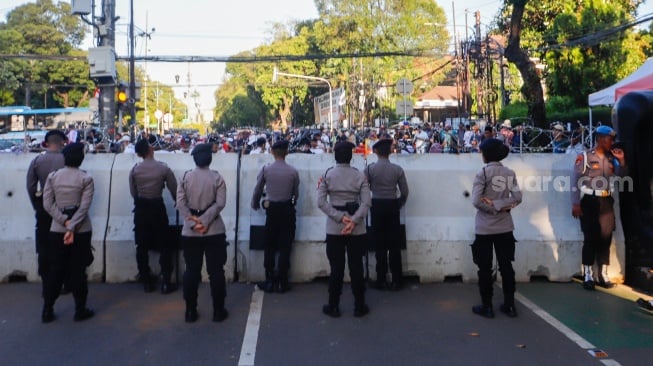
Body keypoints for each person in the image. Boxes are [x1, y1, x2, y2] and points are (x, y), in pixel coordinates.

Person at [41, 142, 95, 323]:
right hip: (81, 229)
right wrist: (72, 226)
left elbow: (47, 204)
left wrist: (64, 221)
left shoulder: (53, 177)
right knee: (78, 270)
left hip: (57, 228)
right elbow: (85, 207)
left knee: (56, 269)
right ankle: (80, 309)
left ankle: (47, 309)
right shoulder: (85, 178)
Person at [317, 141, 372, 318]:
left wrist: (340, 218)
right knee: (357, 268)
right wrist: (353, 221)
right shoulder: (360, 176)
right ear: (351, 156)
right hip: (357, 229)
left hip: (335, 228)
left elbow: (321, 203)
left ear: (335, 156)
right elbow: (366, 203)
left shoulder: (328, 175)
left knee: (336, 268)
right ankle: (359, 306)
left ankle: (333, 305)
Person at [176, 143, 228, 323]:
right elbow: (220, 204)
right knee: (216, 271)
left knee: (191, 271)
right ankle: (218, 311)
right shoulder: (217, 178)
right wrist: (205, 221)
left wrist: (193, 222)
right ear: (210, 158)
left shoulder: (186, 177)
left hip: (191, 233)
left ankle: (190, 311)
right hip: (214, 230)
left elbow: (180, 204)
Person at [471, 138, 522, 318]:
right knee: (506, 266)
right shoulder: (509, 173)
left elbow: (476, 201)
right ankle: (509, 305)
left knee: (484, 268)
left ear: (486, 154)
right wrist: (500, 205)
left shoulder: (482, 173)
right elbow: (517, 198)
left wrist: (492, 206)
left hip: (484, 227)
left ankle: (487, 306)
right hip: (505, 226)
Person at [571, 125, 625, 290]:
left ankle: (603, 273)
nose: (613, 142)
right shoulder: (585, 157)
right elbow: (574, 181)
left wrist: (621, 161)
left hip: (606, 201)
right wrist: (575, 203)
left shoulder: (612, 158)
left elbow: (622, 176)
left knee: (606, 238)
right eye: (610, 139)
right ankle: (588, 274)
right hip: (589, 201)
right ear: (601, 139)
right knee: (590, 237)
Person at [129, 139, 178, 294]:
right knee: (165, 245)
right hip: (157, 206)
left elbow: (133, 193)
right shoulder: (163, 168)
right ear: (149, 150)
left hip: (141, 208)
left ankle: (146, 280)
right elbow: (174, 190)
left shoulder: (135, 169)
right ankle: (166, 280)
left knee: (141, 245)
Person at [251, 140, 300, 293]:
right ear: (286, 152)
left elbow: (258, 190)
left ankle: (270, 279)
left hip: (272, 211)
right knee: (286, 246)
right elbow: (295, 194)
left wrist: (255, 203)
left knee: (270, 245)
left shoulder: (266, 170)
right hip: (287, 210)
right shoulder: (293, 171)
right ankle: (283, 281)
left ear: (272, 152)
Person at [26, 130, 67, 297]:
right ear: (63, 142)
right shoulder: (66, 160)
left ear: (46, 142)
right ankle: (64, 281)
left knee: (44, 246)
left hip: (43, 206)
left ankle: (47, 282)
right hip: (62, 207)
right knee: (63, 245)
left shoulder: (37, 160)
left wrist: (37, 204)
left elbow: (30, 186)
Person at [365, 138, 409, 291]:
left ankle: (381, 279)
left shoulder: (370, 169)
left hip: (376, 205)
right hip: (392, 206)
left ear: (376, 152)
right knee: (394, 245)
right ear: (390, 152)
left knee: (380, 245)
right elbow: (405, 192)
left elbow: (364, 188)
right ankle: (397, 280)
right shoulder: (397, 169)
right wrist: (398, 204)